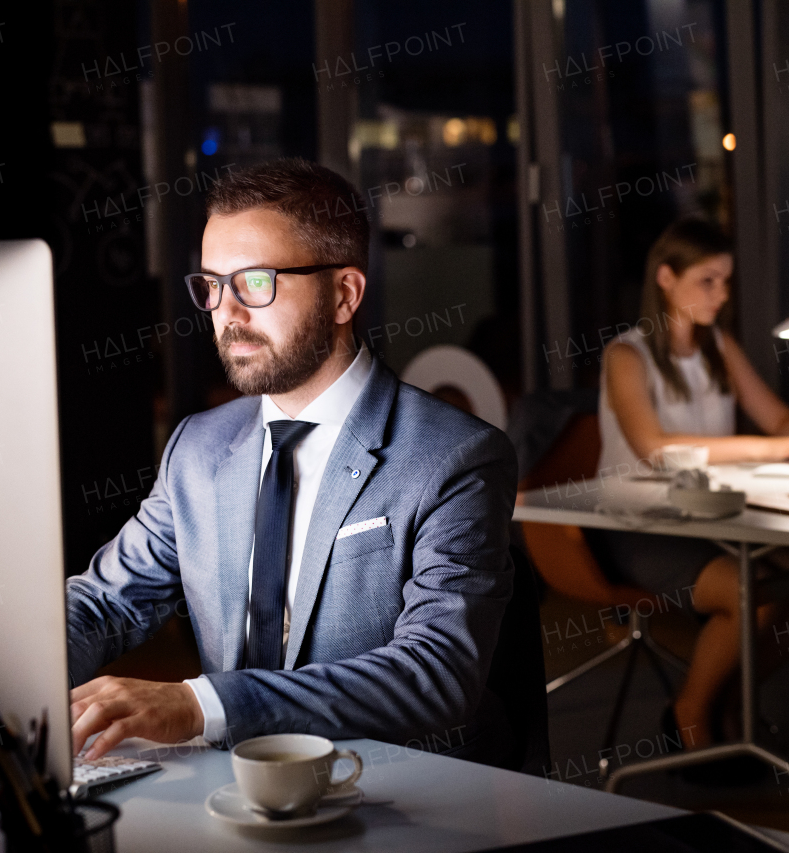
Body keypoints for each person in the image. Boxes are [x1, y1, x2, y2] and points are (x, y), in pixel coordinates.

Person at [65, 158, 520, 765]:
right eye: (211, 285)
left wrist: (202, 705)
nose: (228, 313)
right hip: (234, 791)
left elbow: (435, 672)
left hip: (396, 792)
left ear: (343, 294)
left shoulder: (455, 458)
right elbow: (104, 603)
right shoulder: (197, 450)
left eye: (256, 282)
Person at [592, 218, 789, 751]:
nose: (722, 293)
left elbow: (779, 420)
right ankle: (692, 712)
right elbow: (655, 448)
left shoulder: (717, 345)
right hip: (635, 524)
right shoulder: (627, 355)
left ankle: (723, 700)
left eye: (726, 281)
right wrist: (771, 447)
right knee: (752, 592)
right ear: (666, 278)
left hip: (706, 515)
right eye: (707, 280)